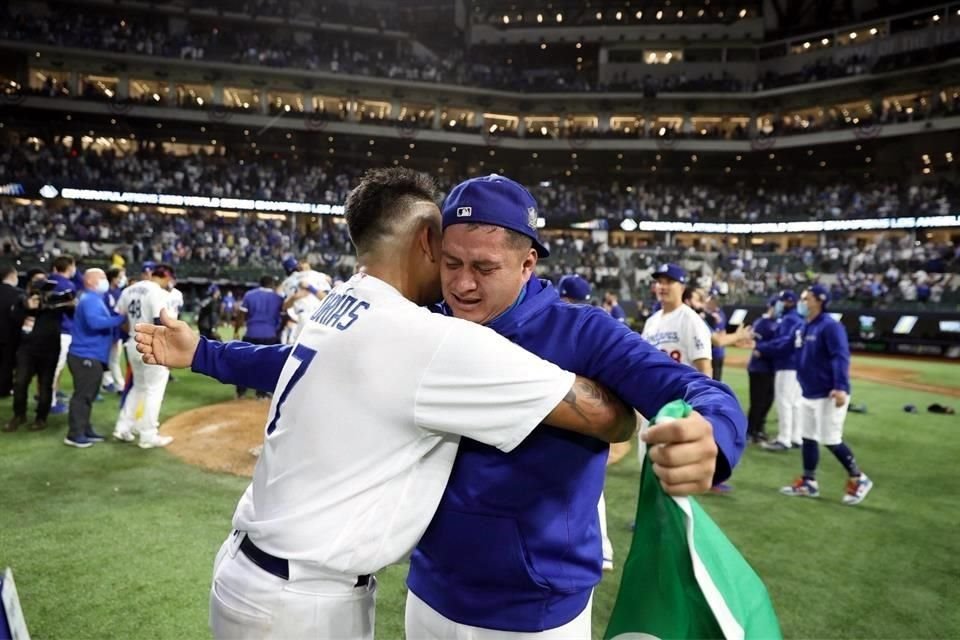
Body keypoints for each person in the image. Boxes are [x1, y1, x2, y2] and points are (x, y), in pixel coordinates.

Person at [148, 173, 747, 639]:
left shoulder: (583, 332)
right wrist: (207, 353)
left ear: (528, 262)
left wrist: (712, 433)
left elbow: (689, 389)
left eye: (484, 268)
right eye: (451, 264)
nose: (462, 284)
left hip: (536, 608)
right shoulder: (428, 322)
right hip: (429, 593)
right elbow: (320, 362)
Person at [780, 285, 873, 505]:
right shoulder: (804, 326)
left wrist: (840, 387)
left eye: (806, 298)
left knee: (831, 440)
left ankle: (858, 477)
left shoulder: (830, 326)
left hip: (829, 393)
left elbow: (840, 357)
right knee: (808, 437)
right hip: (809, 391)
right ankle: (809, 482)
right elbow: (787, 347)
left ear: (819, 301)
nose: (802, 301)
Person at [558, 273, 615, 571]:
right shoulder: (598, 326)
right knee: (590, 489)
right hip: (594, 419)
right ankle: (601, 548)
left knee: (584, 490)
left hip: (576, 420)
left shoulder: (564, 326)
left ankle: (601, 548)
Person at [112, 264, 177, 448]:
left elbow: (121, 319)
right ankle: (148, 435)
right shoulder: (157, 292)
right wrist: (166, 352)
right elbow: (159, 323)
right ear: (164, 277)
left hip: (133, 342)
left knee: (138, 387)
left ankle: (123, 427)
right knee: (154, 390)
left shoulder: (128, 290)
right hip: (152, 344)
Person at [65, 269, 127, 448]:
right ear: (90, 281)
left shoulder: (92, 298)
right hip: (85, 354)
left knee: (88, 395)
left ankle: (85, 429)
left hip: (91, 354)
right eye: (102, 277)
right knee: (82, 396)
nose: (105, 281)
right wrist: (120, 319)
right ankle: (74, 434)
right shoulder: (90, 299)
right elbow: (95, 323)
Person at [4, 270, 69, 432]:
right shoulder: (22, 299)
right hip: (27, 349)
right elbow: (15, 318)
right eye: (37, 281)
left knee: (46, 385)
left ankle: (41, 418)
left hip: (50, 349)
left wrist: (70, 303)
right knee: (20, 383)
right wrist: (27, 306)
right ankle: (19, 415)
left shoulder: (55, 300)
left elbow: (71, 310)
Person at [755, 290, 805, 452]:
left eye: (782, 301)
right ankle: (796, 437)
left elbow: (783, 343)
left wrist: (762, 348)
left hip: (786, 365)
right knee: (796, 403)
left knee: (784, 402)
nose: (779, 304)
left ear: (788, 302)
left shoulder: (789, 319)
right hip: (797, 364)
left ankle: (784, 439)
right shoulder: (798, 318)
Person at [642, 264, 713, 376]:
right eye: (660, 282)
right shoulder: (651, 322)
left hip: (681, 391)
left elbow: (705, 368)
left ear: (682, 288)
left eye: (669, 282)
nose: (662, 286)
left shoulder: (691, 320)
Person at [235, 275, 283, 398]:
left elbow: (241, 315)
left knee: (245, 363)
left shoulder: (250, 295)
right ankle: (261, 394)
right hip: (270, 334)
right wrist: (278, 331)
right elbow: (283, 316)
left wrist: (236, 330)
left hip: (251, 332)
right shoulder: (278, 298)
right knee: (266, 364)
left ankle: (241, 393)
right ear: (272, 284)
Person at [746, 296, 779, 444]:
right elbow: (756, 346)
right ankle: (751, 431)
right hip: (759, 368)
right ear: (770, 306)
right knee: (758, 401)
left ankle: (759, 428)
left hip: (771, 368)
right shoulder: (762, 323)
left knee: (768, 400)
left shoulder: (778, 323)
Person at [48, 255, 78, 413]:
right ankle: (50, 402)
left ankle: (50, 398)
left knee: (50, 368)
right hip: (63, 330)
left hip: (46, 328)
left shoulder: (47, 281)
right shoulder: (67, 285)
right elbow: (72, 310)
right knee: (55, 368)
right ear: (69, 267)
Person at [100, 267, 127, 394]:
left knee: (112, 359)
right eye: (119, 277)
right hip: (106, 331)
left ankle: (109, 382)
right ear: (113, 277)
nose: (121, 280)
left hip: (116, 331)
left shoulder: (119, 292)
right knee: (107, 359)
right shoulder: (105, 293)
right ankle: (117, 385)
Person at [0, 264, 22, 398]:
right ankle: (4, 389)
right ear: (12, 276)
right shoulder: (18, 294)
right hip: (9, 334)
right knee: (6, 364)